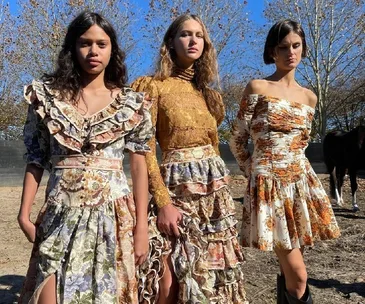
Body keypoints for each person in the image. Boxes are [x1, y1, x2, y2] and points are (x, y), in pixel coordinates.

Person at [17, 11, 152, 304]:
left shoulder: (131, 104)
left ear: (112, 49)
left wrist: (142, 227)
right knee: (46, 296)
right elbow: (36, 156)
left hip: (113, 216)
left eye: (102, 44)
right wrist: (24, 212)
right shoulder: (47, 97)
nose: (93, 51)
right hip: (60, 214)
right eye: (85, 43)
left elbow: (139, 167)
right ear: (72, 48)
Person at [132, 14, 248, 304]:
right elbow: (144, 148)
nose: (193, 40)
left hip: (213, 197)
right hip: (175, 191)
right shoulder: (153, 86)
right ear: (171, 42)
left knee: (208, 282)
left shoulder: (210, 96)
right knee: (167, 283)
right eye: (185, 34)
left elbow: (212, 146)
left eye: (199, 35)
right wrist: (163, 202)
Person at [229, 19, 340, 304]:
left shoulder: (310, 97)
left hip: (301, 185)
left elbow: (301, 143)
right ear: (272, 51)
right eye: (283, 47)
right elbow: (237, 140)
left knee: (291, 271)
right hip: (269, 186)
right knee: (300, 276)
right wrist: (255, 175)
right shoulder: (257, 87)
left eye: (296, 46)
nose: (291, 52)